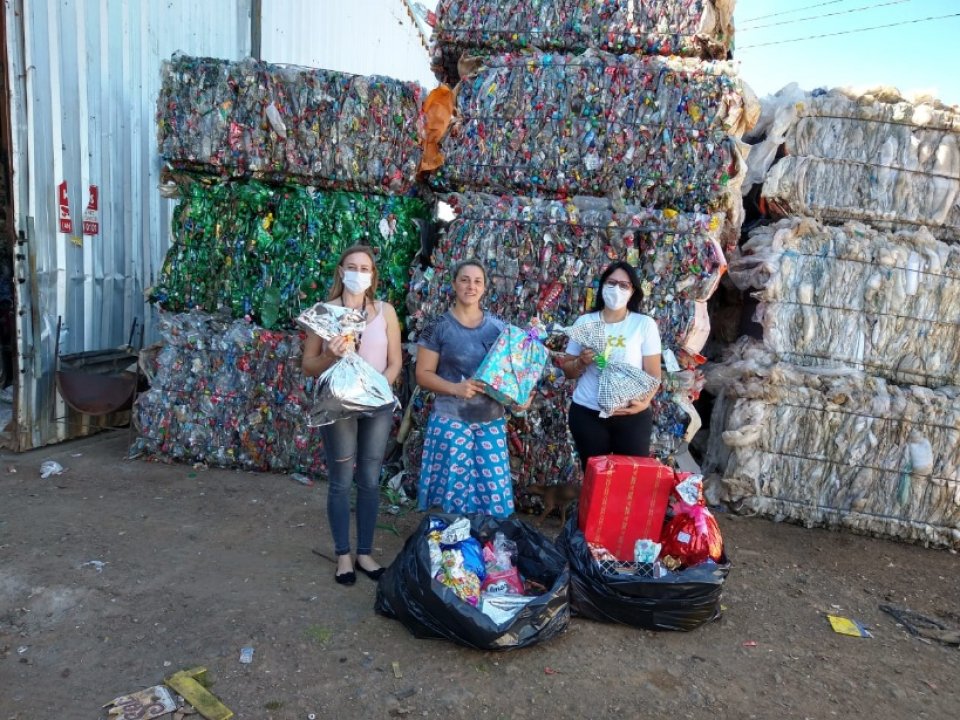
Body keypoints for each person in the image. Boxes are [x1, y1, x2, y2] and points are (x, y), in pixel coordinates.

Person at [302, 245, 402, 586]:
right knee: (342, 480)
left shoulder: (386, 312)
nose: (359, 273)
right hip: (338, 406)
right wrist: (330, 355)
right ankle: (343, 554)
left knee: (370, 480)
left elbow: (395, 362)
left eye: (365, 268)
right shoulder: (323, 313)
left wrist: (377, 392)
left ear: (373, 275)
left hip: (377, 406)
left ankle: (365, 553)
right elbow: (308, 366)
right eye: (352, 267)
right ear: (341, 271)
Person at [414, 260, 514, 518]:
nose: (471, 286)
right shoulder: (436, 327)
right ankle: (452, 539)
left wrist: (519, 398)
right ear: (454, 284)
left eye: (477, 281)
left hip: (490, 421)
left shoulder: (499, 329)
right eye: (465, 280)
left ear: (485, 287)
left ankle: (485, 540)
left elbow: (511, 376)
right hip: (451, 421)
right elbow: (422, 375)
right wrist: (455, 388)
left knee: (492, 494)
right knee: (453, 493)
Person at [562, 261, 662, 468]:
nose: (617, 289)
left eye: (624, 285)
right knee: (596, 476)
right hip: (588, 414)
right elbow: (568, 371)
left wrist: (645, 403)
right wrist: (581, 362)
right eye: (612, 283)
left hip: (631, 416)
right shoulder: (585, 323)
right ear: (602, 286)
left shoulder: (644, 324)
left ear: (633, 291)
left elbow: (653, 375)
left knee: (631, 476)